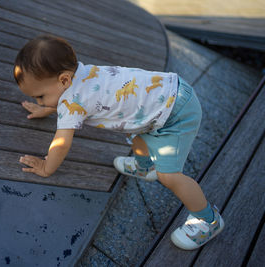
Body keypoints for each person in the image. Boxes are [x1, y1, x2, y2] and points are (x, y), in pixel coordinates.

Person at [14, 35, 224, 250]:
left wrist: (47, 167)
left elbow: (61, 142)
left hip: (175, 115)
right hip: (167, 95)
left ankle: (208, 220)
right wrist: (48, 108)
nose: (38, 101)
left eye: (40, 96)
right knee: (136, 134)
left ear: (64, 80)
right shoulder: (82, 73)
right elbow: (67, 97)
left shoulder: (70, 102)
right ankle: (145, 166)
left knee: (169, 176)